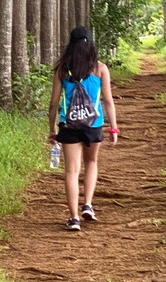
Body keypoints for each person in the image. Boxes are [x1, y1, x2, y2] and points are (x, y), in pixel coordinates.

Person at [48, 26, 119, 231]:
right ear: (91, 43)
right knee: (91, 162)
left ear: (71, 45)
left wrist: (52, 128)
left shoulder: (62, 69)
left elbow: (53, 103)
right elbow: (108, 101)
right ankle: (87, 204)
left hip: (68, 125)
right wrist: (113, 128)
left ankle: (74, 218)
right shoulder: (99, 68)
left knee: (71, 171)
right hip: (93, 125)